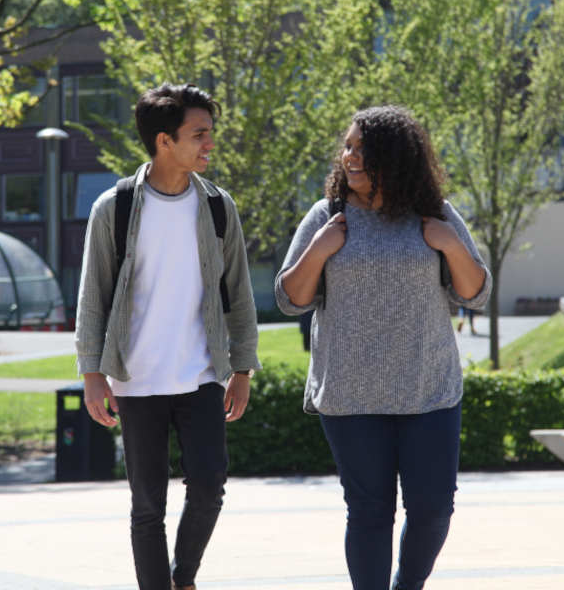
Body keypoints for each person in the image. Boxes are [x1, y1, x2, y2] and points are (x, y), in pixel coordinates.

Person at [275, 106, 490, 590]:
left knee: (434, 508)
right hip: (351, 396)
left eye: (362, 149)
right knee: (370, 513)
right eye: (347, 146)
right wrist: (321, 249)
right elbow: (291, 298)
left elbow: (475, 292)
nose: (350, 157)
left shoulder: (435, 214)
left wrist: (450, 244)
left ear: (394, 158)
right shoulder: (327, 216)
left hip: (428, 390)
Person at [75, 83, 260, 590]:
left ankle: (184, 578)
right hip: (137, 380)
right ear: (164, 141)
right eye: (199, 134)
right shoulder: (113, 209)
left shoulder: (219, 208)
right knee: (147, 505)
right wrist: (92, 375)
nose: (209, 144)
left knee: (209, 487)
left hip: (201, 374)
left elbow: (238, 294)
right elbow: (93, 297)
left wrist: (241, 370)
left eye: (210, 134)